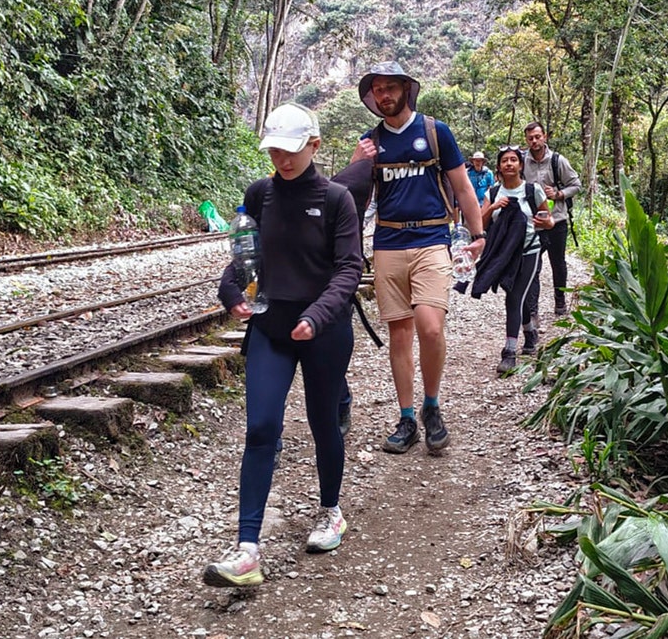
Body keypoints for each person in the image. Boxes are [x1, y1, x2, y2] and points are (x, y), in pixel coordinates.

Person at [204, 103, 363, 588]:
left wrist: (316, 317)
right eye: (274, 149)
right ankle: (247, 548)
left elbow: (350, 268)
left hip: (324, 331)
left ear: (314, 146)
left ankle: (331, 512)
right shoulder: (259, 194)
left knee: (322, 423)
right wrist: (231, 292)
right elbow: (243, 257)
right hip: (272, 329)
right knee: (261, 428)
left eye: (290, 149)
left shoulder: (337, 199)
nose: (282, 158)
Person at [350, 61, 485, 455]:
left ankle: (432, 406)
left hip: (431, 239)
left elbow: (462, 186)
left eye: (392, 87)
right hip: (388, 243)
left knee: (430, 326)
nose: (385, 95)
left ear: (406, 91)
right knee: (399, 334)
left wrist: (478, 235)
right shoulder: (369, 142)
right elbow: (353, 198)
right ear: (372, 97)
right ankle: (407, 417)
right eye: (378, 89)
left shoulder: (435, 132)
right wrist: (358, 162)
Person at [474, 146, 552, 374]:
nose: (509, 164)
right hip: (503, 252)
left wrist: (544, 223)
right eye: (504, 161)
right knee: (515, 294)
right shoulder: (493, 192)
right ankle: (529, 332)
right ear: (498, 167)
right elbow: (479, 222)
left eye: (513, 160)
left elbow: (548, 221)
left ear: (520, 165)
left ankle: (509, 352)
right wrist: (495, 207)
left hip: (529, 250)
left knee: (515, 296)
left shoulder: (532, 190)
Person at [522, 122, 581, 317]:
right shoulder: (522, 161)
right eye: (530, 138)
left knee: (558, 263)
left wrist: (558, 194)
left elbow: (576, 184)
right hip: (533, 223)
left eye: (538, 137)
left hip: (557, 220)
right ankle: (532, 309)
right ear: (526, 140)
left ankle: (560, 302)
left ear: (544, 137)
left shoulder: (557, 160)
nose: (534, 141)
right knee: (532, 265)